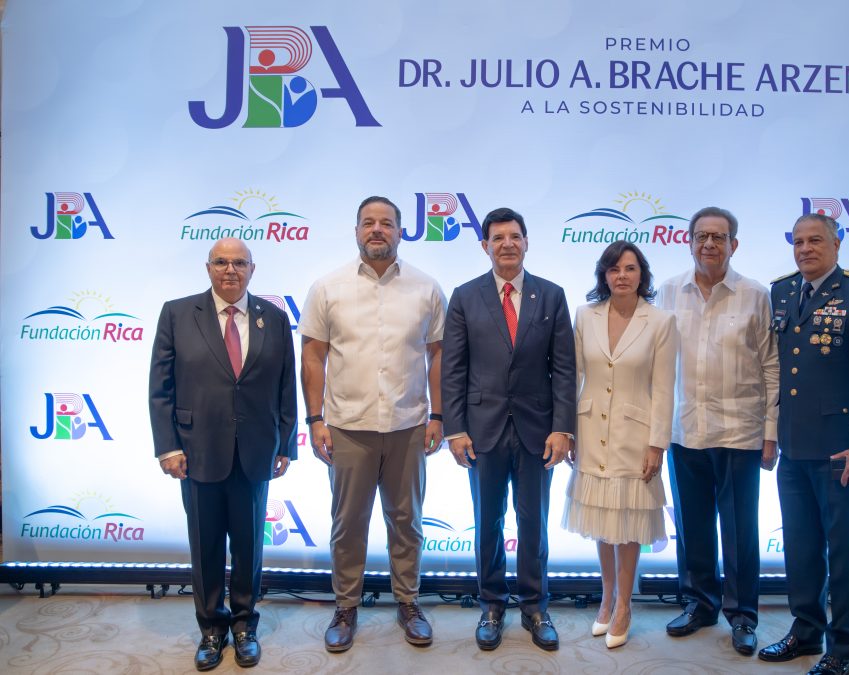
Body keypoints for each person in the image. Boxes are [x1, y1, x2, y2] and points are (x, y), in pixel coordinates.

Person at [298, 196, 447, 652]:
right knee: (348, 523)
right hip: (347, 426)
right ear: (356, 230)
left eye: (386, 223)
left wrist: (438, 415)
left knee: (407, 522)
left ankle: (408, 602)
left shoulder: (426, 288)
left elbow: (437, 354)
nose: (377, 229)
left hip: (408, 425)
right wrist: (315, 418)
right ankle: (346, 605)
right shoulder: (328, 287)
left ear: (402, 231)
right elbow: (313, 354)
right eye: (369, 223)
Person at [149, 238, 297, 671]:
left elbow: (286, 386)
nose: (230, 270)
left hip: (255, 452)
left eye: (239, 263)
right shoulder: (177, 314)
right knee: (206, 545)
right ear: (207, 267)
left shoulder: (275, 318)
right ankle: (212, 629)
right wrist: (168, 446)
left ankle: (245, 627)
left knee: (250, 546)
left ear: (253, 269)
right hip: (196, 453)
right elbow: (160, 389)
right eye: (221, 262)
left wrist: (286, 443)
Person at [758, 213, 849, 675]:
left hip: (842, 453)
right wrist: (772, 435)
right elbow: (780, 373)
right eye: (797, 242)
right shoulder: (781, 291)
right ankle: (805, 631)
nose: (805, 249)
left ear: (837, 244)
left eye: (815, 240)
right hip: (794, 449)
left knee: (842, 553)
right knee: (799, 547)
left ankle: (845, 648)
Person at [441, 207, 576, 652]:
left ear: (526, 241)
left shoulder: (551, 296)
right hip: (482, 430)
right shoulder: (464, 296)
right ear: (485, 245)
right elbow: (454, 369)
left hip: (539, 430)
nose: (507, 244)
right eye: (498, 238)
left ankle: (536, 606)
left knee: (533, 522)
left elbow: (564, 369)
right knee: (488, 522)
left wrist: (563, 428)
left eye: (515, 236)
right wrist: (455, 429)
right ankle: (493, 605)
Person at [656, 207, 779, 656]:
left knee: (741, 530)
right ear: (688, 241)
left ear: (734, 245)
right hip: (684, 428)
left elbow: (771, 365)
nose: (710, 244)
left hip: (740, 431)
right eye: (702, 236)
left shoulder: (755, 295)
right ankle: (699, 604)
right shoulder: (668, 292)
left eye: (719, 237)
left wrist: (771, 432)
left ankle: (743, 615)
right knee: (692, 527)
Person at [562, 241, 676, 649]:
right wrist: (568, 429)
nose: (621, 276)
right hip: (591, 431)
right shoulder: (584, 316)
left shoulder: (661, 322)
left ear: (641, 274)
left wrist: (657, 444)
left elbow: (664, 389)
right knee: (602, 523)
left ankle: (625, 604)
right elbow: (570, 378)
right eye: (613, 269)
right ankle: (606, 597)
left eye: (629, 268)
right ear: (603, 275)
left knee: (628, 524)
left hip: (635, 437)